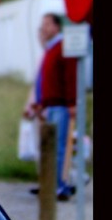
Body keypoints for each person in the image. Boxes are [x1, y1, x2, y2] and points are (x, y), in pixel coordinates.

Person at [23, 12, 78, 201]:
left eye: (47, 24)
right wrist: (40, 104)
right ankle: (49, 184)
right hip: (50, 106)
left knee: (59, 148)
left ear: (56, 26)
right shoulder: (50, 49)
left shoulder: (62, 47)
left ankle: (60, 185)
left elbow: (70, 76)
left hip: (61, 106)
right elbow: (45, 81)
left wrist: (72, 102)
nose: (44, 28)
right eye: (42, 24)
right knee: (49, 148)